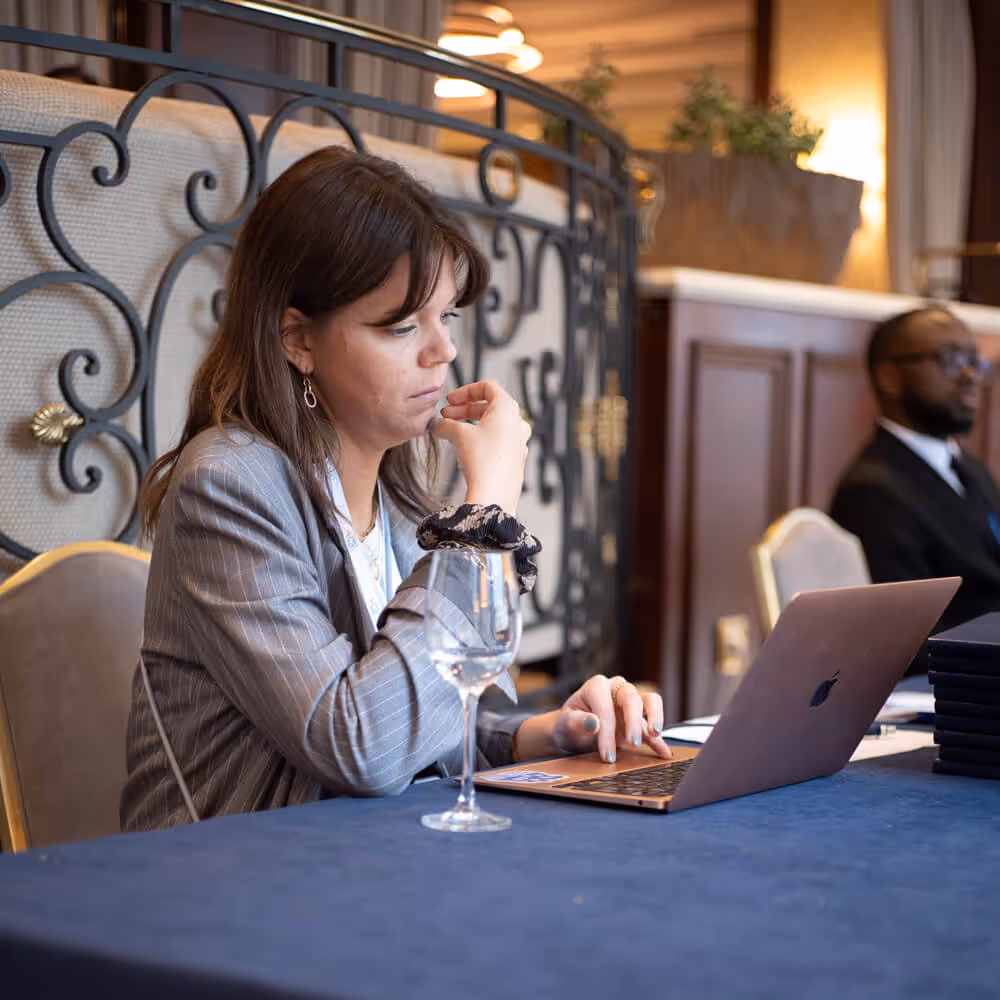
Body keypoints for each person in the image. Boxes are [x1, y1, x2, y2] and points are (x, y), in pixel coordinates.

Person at [120, 147, 670, 831]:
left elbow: (434, 720)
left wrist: (548, 734)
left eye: (448, 318)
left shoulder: (406, 506)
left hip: (364, 869)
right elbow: (360, 746)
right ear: (299, 340)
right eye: (403, 326)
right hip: (224, 889)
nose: (441, 352)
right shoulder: (230, 486)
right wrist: (487, 508)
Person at [830, 306, 1000, 635]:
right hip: (959, 676)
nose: (971, 376)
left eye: (974, 360)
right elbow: (909, 638)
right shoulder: (872, 491)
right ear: (890, 378)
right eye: (951, 360)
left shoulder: (971, 469)